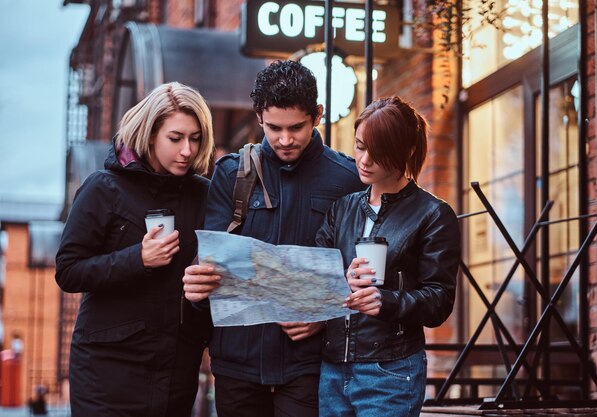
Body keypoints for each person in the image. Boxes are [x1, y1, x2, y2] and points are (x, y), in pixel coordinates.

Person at [182, 60, 364, 417]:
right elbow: (211, 264)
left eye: (296, 128)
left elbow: (363, 276)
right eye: (273, 128)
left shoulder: (347, 180)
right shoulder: (231, 174)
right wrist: (196, 284)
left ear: (318, 115)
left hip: (309, 364)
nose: (284, 139)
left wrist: (324, 316)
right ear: (259, 117)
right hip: (237, 364)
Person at [55, 82, 214, 417]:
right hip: (107, 371)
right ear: (150, 133)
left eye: (195, 138)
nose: (187, 150)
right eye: (176, 138)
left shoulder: (204, 196)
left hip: (175, 367)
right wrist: (137, 259)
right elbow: (68, 270)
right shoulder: (104, 189)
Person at [315, 96, 461, 416]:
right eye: (359, 146)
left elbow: (439, 301)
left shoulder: (432, 214)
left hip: (390, 372)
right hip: (332, 369)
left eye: (377, 151)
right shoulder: (342, 209)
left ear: (407, 150)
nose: (364, 160)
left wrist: (387, 301)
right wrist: (342, 280)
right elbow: (315, 279)